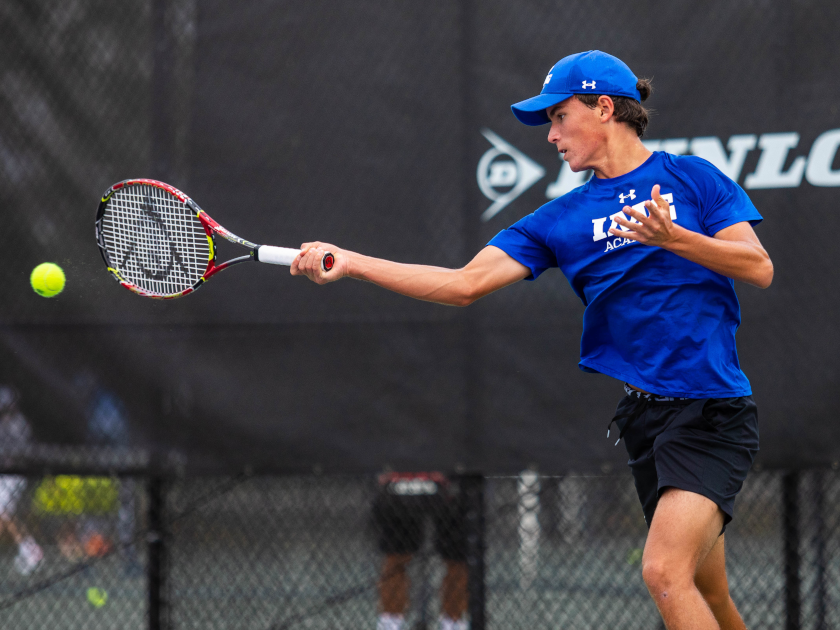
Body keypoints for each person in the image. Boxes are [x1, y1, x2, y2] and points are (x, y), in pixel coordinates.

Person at [293, 50, 771, 630]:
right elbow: (463, 284)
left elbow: (757, 266)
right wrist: (351, 262)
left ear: (603, 107)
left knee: (665, 573)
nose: (551, 135)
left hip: (711, 413)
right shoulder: (556, 220)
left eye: (558, 116)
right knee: (706, 591)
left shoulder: (693, 178)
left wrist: (675, 239)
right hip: (647, 424)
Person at [372, 471, 468, 630]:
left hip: (450, 471)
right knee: (396, 555)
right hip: (400, 475)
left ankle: (453, 622)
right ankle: (390, 623)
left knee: (457, 557)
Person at [0, 386, 43, 575]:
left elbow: (17, 452)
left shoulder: (18, 423)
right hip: (6, 475)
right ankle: (29, 549)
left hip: (14, 475)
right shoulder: (6, 422)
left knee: (4, 512)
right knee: (5, 514)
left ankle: (31, 550)